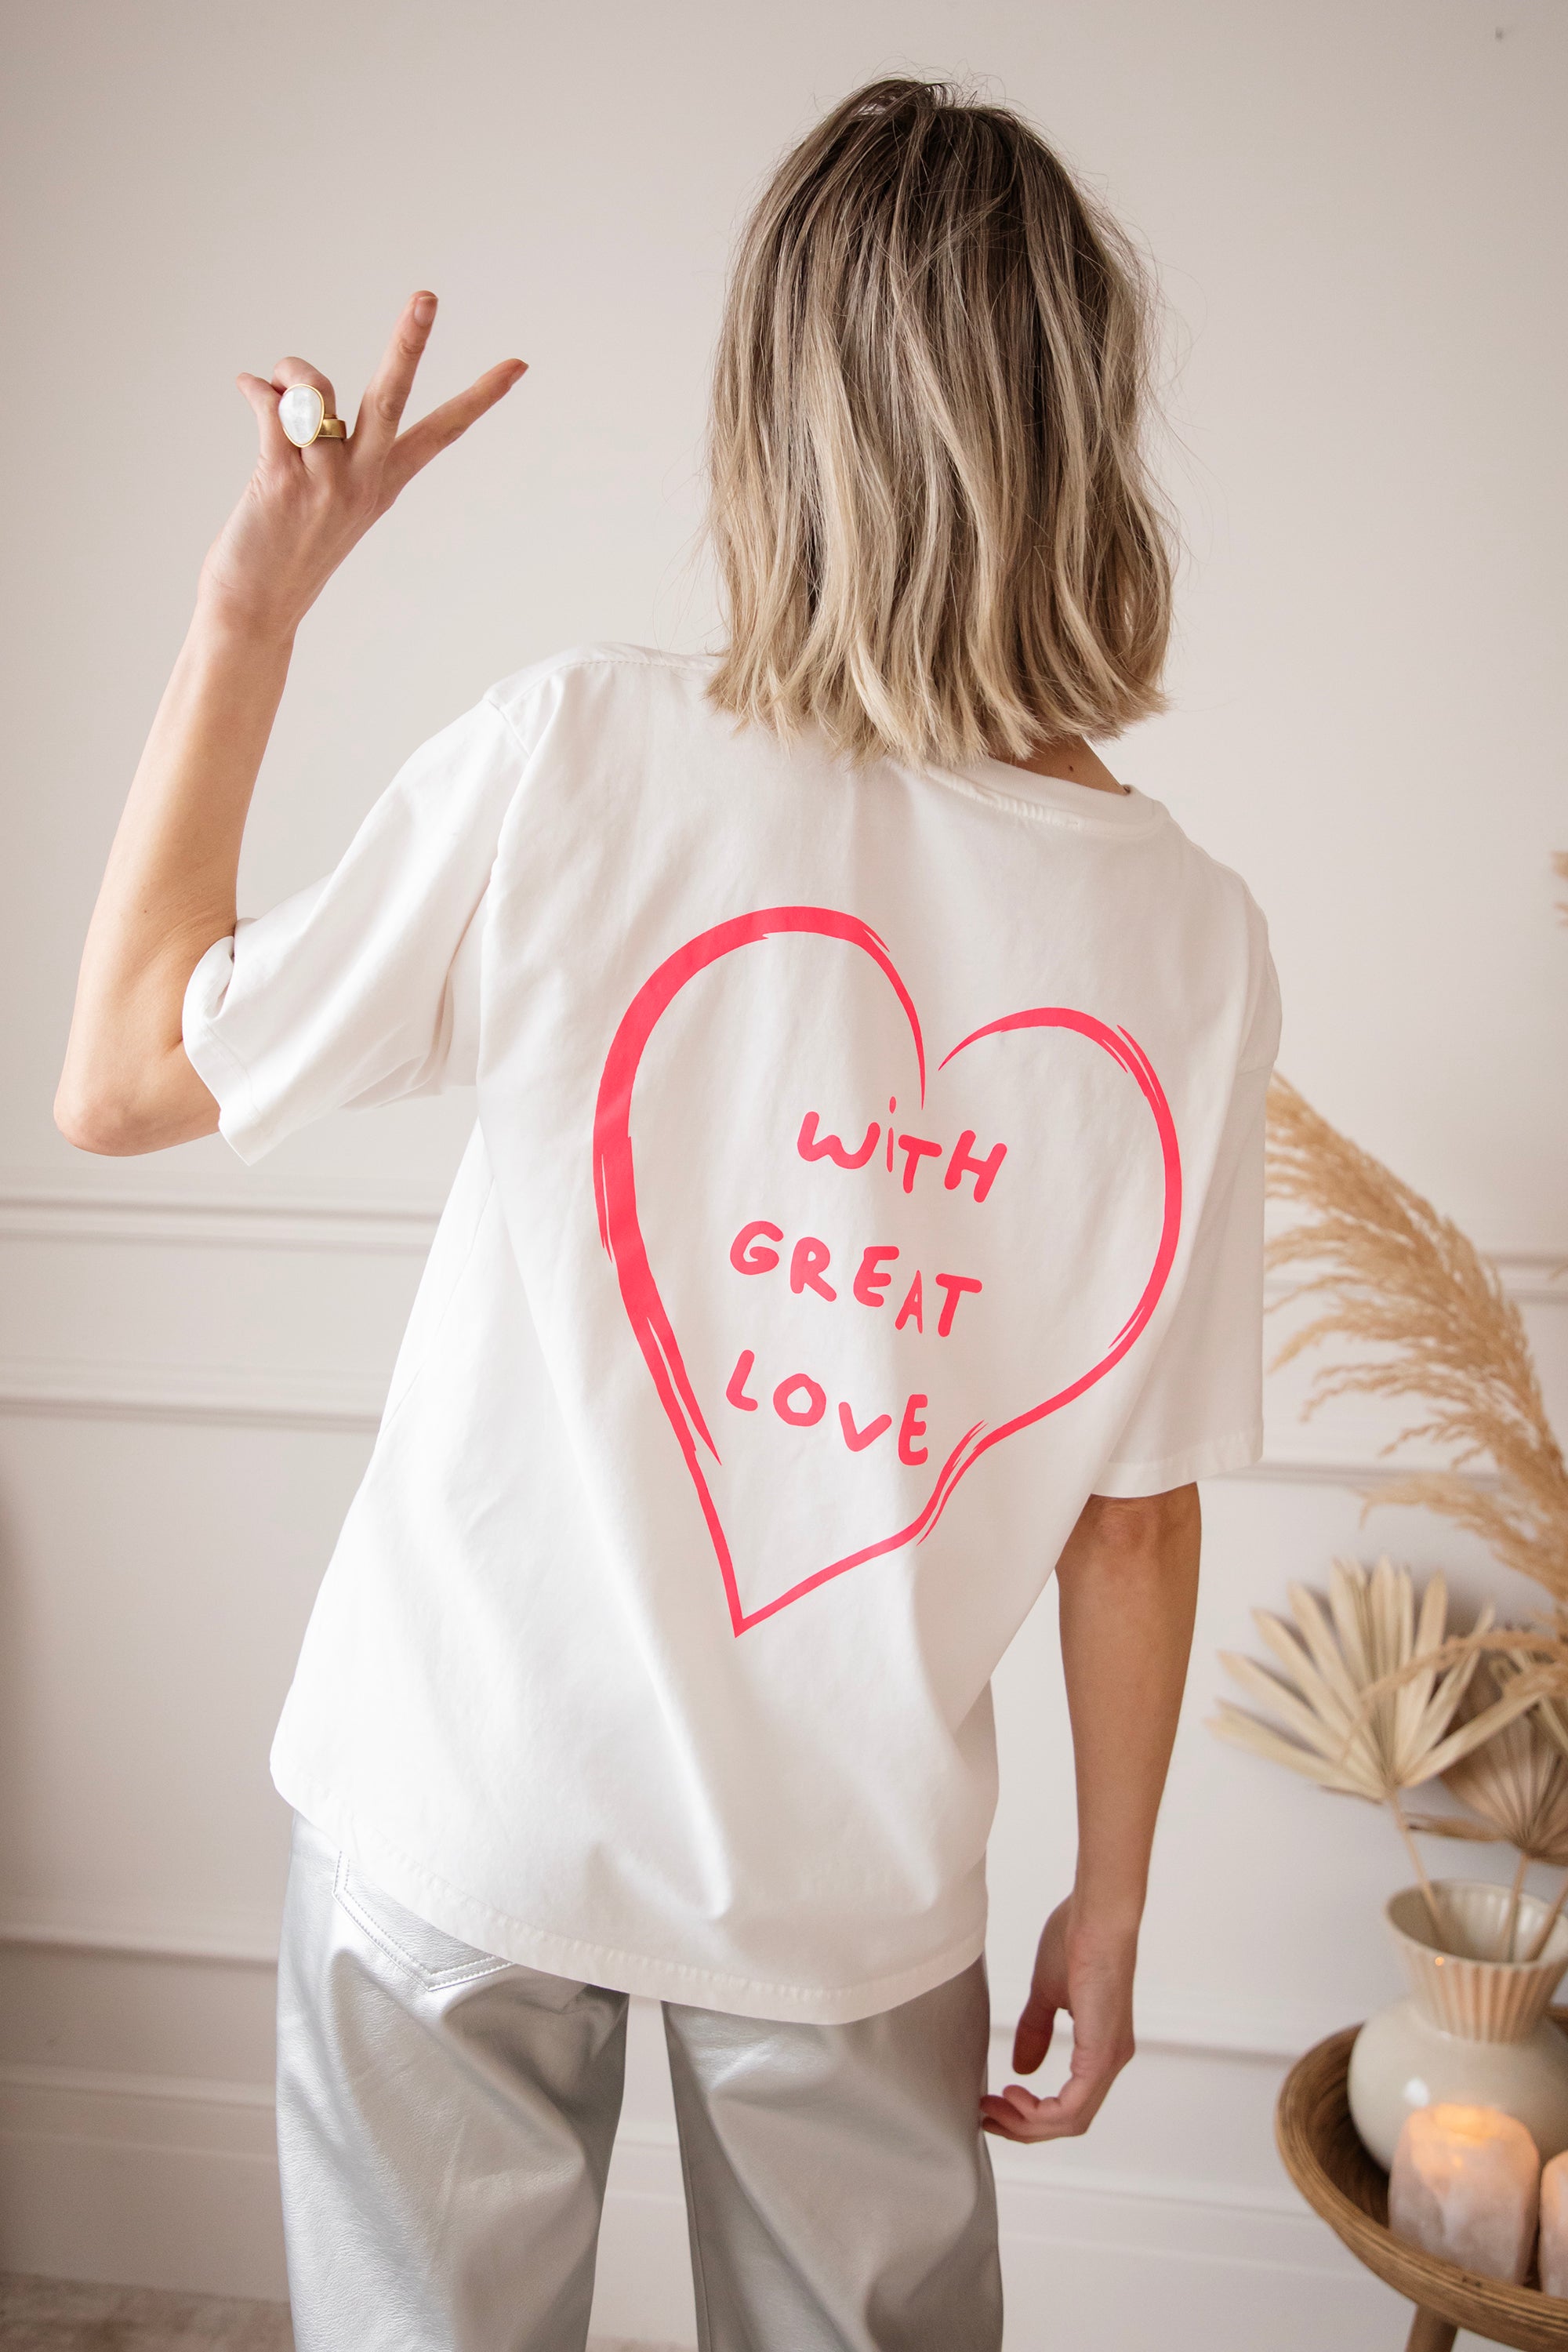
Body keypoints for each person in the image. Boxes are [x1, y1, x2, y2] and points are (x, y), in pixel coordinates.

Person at [56, 74, 1278, 2352]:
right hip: (845, 1886)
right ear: (1082, 431)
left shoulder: (582, 752)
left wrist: (251, 608)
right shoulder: (1187, 938)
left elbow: (121, 1075)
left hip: (456, 1809)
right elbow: (1131, 1516)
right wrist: (1112, 1906)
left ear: (771, 424)